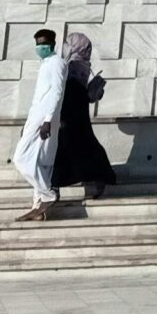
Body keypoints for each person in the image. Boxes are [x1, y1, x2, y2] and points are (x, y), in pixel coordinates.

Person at [49, 32, 116, 200]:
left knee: (64, 144)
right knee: (83, 139)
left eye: (68, 43)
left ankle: (54, 186)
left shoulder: (68, 62)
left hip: (69, 102)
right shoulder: (84, 62)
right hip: (77, 103)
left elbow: (61, 87)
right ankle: (100, 176)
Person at [12, 27, 65, 221]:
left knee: (20, 158)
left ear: (52, 44)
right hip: (36, 117)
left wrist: (48, 121)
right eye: (38, 44)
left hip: (45, 119)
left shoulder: (58, 63)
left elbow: (57, 92)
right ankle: (38, 206)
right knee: (40, 162)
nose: (41, 47)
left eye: (44, 43)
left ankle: (48, 194)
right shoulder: (45, 64)